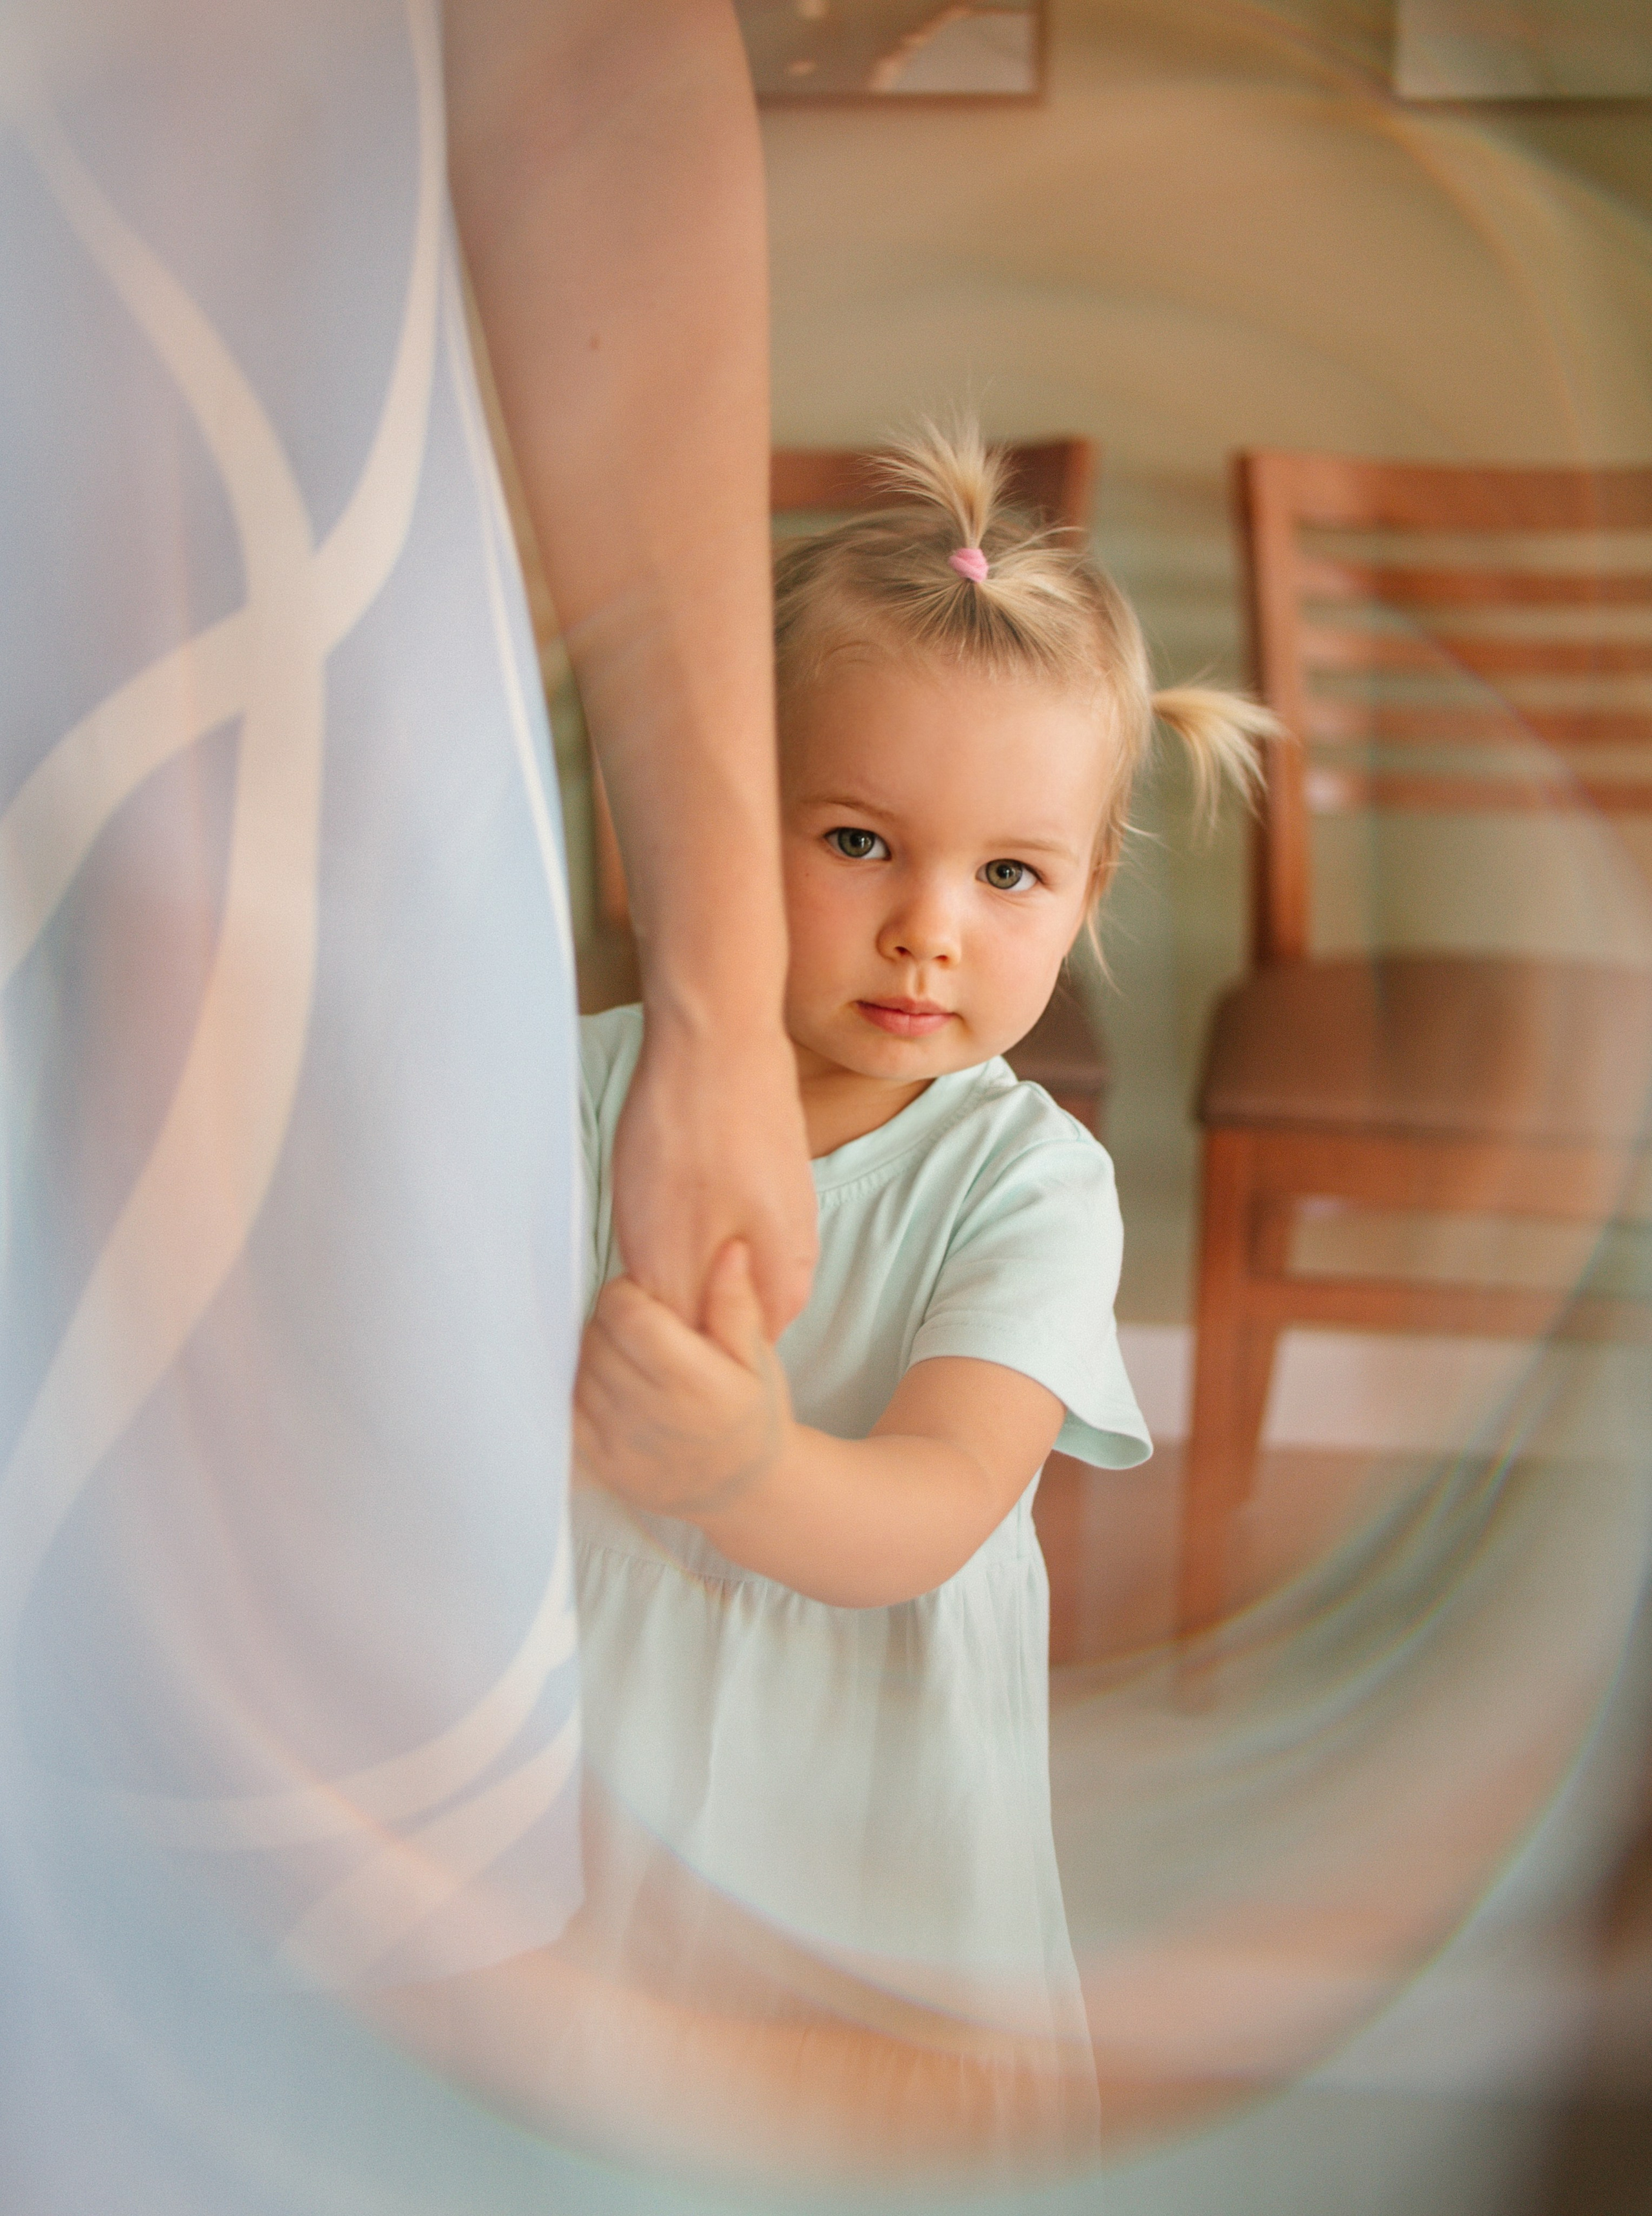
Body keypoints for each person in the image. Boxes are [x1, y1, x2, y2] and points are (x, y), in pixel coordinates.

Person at [565, 422, 1277, 2171]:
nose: (929, 929)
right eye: (860, 840)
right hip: (591, 1746)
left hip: (863, 1814)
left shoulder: (1029, 1189)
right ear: (718, 833)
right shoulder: (585, 1091)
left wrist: (741, 1469)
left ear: (1088, 895)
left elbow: (943, 1501)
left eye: (1008, 873)